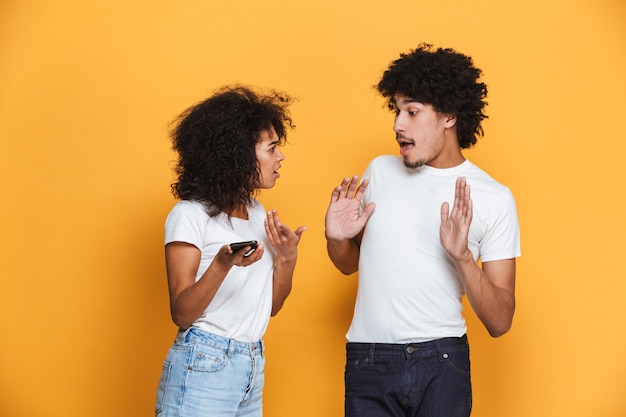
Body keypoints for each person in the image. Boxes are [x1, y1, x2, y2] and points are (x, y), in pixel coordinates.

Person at [324, 44, 521, 417]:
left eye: (412, 111)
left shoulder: (494, 197)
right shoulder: (379, 172)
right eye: (397, 110)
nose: (398, 124)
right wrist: (335, 238)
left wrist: (462, 256)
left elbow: (500, 320)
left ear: (448, 116)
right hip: (369, 359)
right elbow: (350, 264)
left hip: (442, 362)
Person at [155, 85, 306, 417]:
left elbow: (269, 307)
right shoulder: (189, 215)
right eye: (271, 149)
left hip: (251, 365)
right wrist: (222, 264)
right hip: (203, 365)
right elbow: (182, 314)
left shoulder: (257, 213)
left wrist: (288, 259)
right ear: (237, 155)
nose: (279, 158)